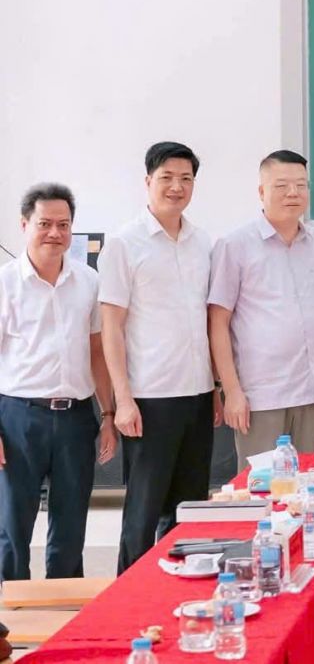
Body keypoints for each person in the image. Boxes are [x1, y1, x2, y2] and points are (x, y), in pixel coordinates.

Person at [99, 142, 218, 573]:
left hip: (198, 394)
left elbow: (208, 322)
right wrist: (123, 400)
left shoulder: (203, 242)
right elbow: (111, 327)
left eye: (186, 178)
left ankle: (177, 590)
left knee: (188, 509)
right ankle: (129, 595)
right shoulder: (124, 244)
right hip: (150, 398)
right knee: (143, 511)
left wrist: (216, 387)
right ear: (148, 181)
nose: (176, 186)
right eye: (167, 177)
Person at [0, 183, 116, 582]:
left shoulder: (88, 280)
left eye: (63, 225)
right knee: (13, 523)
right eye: (45, 223)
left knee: (71, 522)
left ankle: (64, 600)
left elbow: (97, 351)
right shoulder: (5, 283)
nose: (55, 233)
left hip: (76, 418)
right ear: (24, 225)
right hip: (18, 418)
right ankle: (12, 605)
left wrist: (108, 415)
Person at [208, 150, 314, 460]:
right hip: (261, 397)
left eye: (301, 185)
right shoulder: (235, 245)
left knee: (312, 482)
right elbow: (217, 323)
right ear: (261, 191)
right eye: (281, 185)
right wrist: (232, 391)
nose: (293, 193)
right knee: (263, 484)